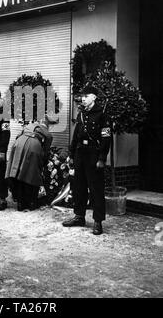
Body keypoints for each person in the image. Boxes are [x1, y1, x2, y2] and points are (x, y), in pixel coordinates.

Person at [62, 86, 111, 235]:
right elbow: (76, 135)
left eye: (86, 95)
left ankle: (98, 221)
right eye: (82, 96)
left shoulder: (102, 115)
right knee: (78, 186)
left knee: (96, 189)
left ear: (94, 97)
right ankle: (79, 216)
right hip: (80, 154)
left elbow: (106, 138)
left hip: (93, 155)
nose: (83, 98)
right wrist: (71, 154)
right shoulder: (81, 114)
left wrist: (102, 158)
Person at [5, 115, 58, 211]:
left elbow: (18, 136)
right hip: (33, 146)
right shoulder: (47, 134)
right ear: (48, 124)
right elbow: (45, 151)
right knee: (31, 175)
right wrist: (44, 161)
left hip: (19, 143)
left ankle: (20, 202)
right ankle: (30, 202)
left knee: (18, 173)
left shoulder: (30, 125)